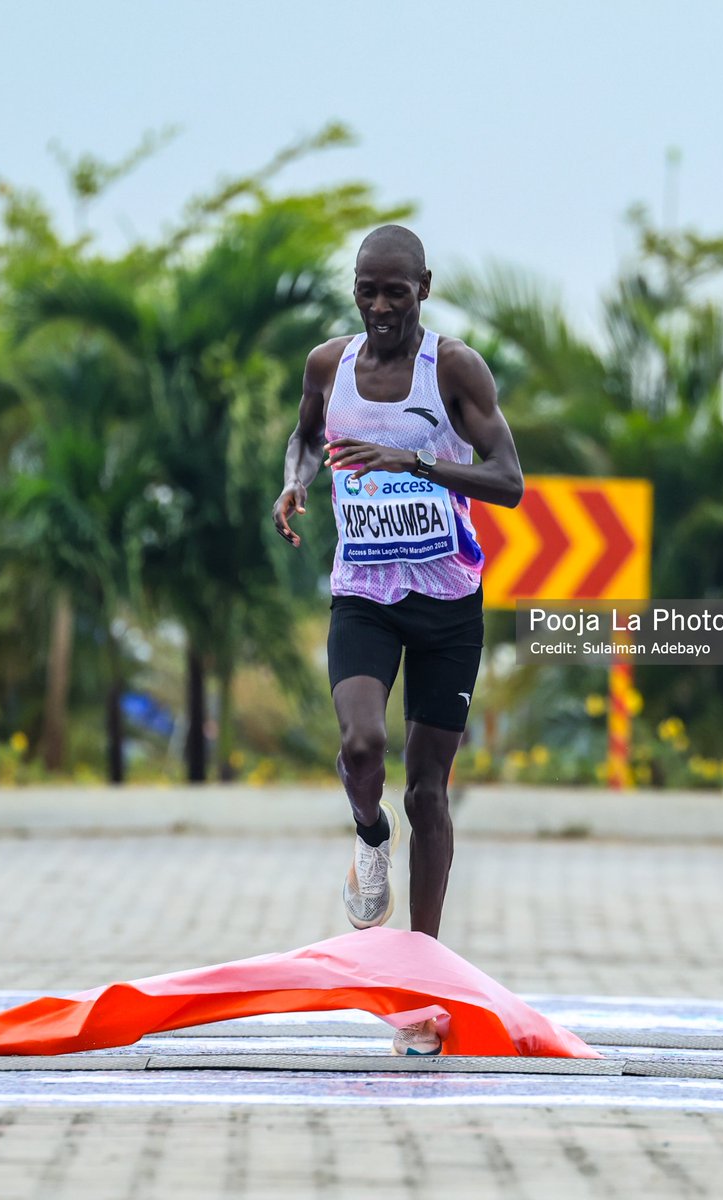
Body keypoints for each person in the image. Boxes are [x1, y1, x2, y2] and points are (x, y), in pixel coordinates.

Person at [273, 225, 523, 1054]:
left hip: (447, 600)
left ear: (424, 287)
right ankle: (369, 839)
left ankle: (421, 990)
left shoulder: (452, 370)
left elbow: (509, 482)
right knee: (359, 743)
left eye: (395, 291)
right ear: (354, 290)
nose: (380, 306)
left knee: (427, 793)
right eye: (366, 290)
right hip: (365, 595)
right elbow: (306, 435)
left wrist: (412, 462)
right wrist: (294, 482)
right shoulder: (328, 364)